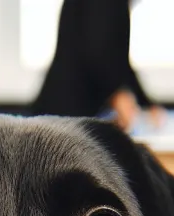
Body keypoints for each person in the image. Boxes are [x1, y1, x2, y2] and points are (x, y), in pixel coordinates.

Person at [31, 0, 165, 131]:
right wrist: (117, 94)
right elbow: (97, 51)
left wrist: (146, 103)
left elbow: (118, 61)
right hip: (65, 118)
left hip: (67, 114)